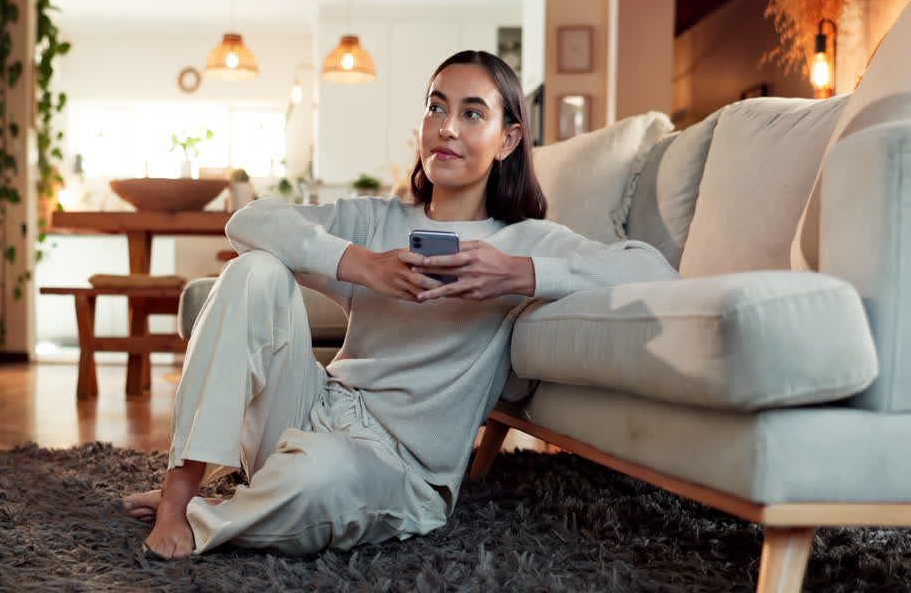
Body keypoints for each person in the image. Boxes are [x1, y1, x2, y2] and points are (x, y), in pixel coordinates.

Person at [122, 50, 679, 558]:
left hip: (399, 466)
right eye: (437, 107)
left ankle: (218, 514)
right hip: (314, 409)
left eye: (471, 113)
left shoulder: (527, 240)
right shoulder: (378, 220)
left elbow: (652, 270)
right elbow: (249, 222)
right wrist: (363, 264)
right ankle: (181, 491)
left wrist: (517, 273)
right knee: (255, 268)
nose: (447, 127)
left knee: (317, 478)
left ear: (507, 141)